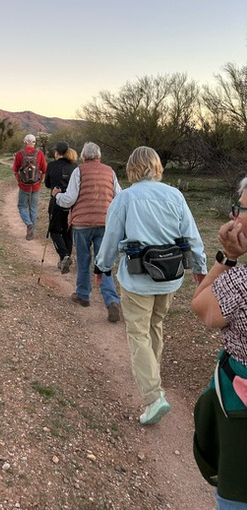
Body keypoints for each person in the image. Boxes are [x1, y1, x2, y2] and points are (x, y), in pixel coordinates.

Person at [95, 146, 207, 425]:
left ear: (132, 168)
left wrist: (102, 266)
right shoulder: (175, 195)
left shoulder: (126, 198)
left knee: (138, 333)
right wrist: (201, 269)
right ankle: (152, 378)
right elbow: (191, 235)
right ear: (156, 167)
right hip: (170, 278)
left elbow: (111, 239)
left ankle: (153, 396)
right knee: (155, 327)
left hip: (137, 279)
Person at [191, 176, 247, 510]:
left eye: (239, 207)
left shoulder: (240, 285)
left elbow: (201, 306)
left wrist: (226, 258)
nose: (234, 214)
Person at [52, 141, 122, 322]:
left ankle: (83, 295)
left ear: (84, 157)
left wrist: (57, 196)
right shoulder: (110, 172)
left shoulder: (79, 171)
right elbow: (119, 196)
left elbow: (70, 199)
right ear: (99, 157)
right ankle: (112, 300)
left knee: (84, 260)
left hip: (82, 224)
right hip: (105, 223)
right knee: (104, 263)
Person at [44, 141, 78, 273]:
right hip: (71, 203)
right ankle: (65, 259)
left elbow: (47, 184)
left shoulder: (52, 165)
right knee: (67, 231)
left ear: (57, 152)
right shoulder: (75, 166)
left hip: (56, 202)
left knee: (54, 231)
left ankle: (64, 256)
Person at [12, 134, 47, 240]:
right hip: (35, 186)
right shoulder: (39, 154)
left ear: (25, 142)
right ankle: (32, 231)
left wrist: (19, 181)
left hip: (24, 186)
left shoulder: (20, 154)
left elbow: (15, 170)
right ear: (34, 142)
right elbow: (44, 170)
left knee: (22, 207)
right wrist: (41, 180)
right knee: (33, 208)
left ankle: (28, 224)